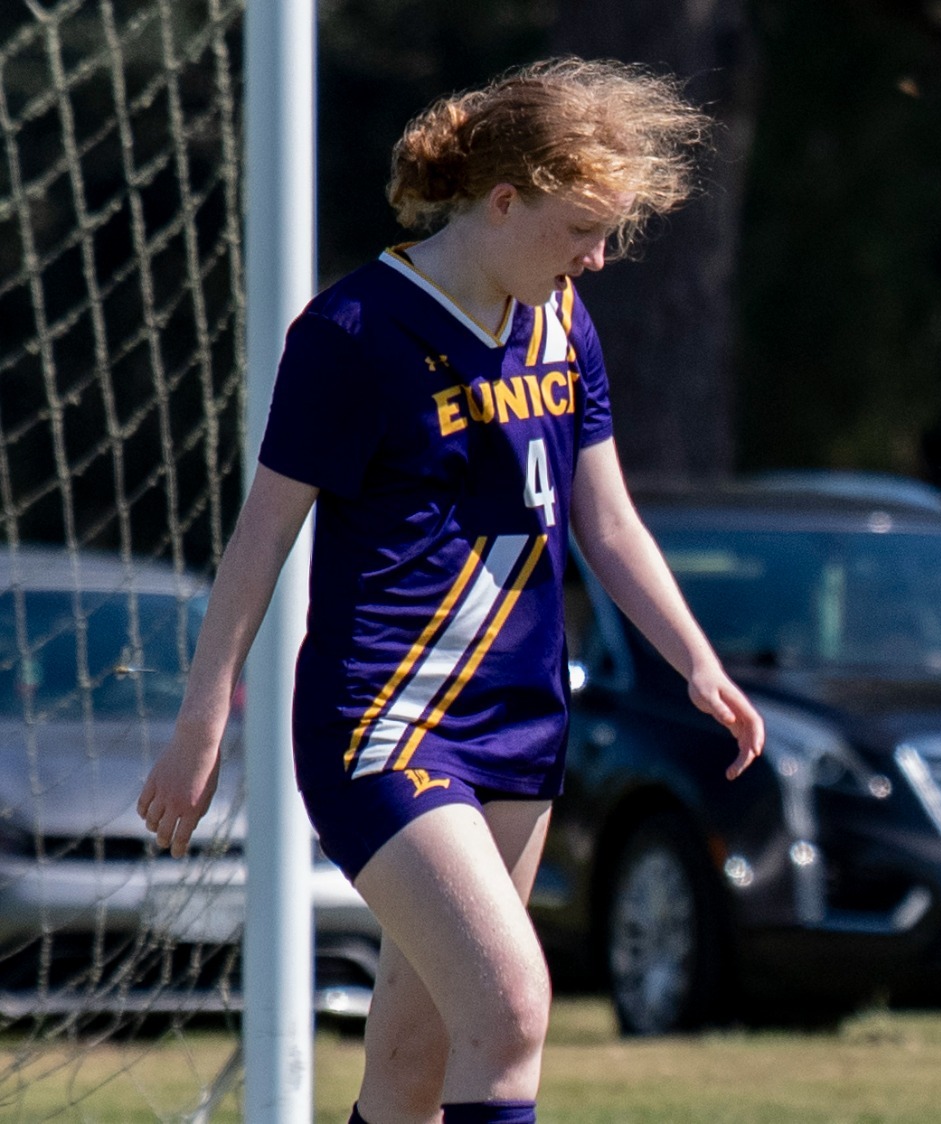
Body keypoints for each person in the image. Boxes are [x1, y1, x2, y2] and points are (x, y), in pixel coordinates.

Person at [136, 58, 764, 1124]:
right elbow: (259, 540)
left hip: (518, 720)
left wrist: (697, 661)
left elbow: (605, 524)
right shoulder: (353, 334)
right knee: (513, 1004)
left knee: (417, 1056)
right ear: (504, 198)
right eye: (579, 228)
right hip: (380, 722)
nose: (597, 257)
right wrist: (203, 719)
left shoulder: (563, 324)